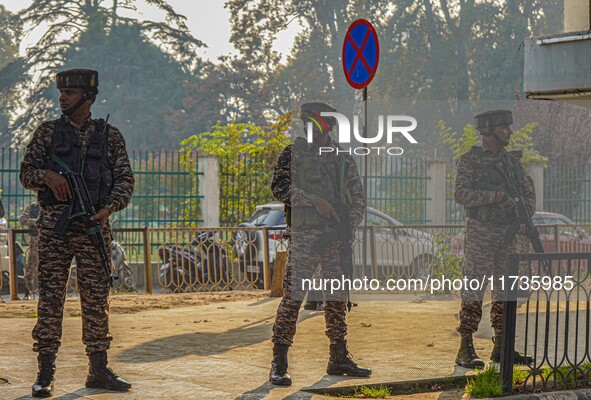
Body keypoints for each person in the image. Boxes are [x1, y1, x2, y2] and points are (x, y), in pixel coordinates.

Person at [20, 69, 134, 397]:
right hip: (55, 230)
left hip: (93, 228)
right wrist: (47, 177)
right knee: (51, 300)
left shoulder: (109, 137)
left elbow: (125, 179)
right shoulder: (47, 133)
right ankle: (45, 372)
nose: (63, 98)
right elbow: (26, 173)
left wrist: (109, 208)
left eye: (70, 93)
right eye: (62, 92)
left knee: (96, 300)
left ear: (88, 97)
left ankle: (98, 370)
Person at [269, 102, 371, 386]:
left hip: (335, 238)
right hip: (304, 236)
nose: (310, 130)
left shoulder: (342, 158)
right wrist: (313, 201)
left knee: (336, 300)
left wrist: (348, 227)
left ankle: (338, 357)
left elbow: (358, 198)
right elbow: (279, 188)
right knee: (293, 299)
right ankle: (279, 362)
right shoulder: (293, 154)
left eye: (316, 125)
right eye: (307, 124)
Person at [454, 110, 535, 369]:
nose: (509, 132)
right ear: (488, 130)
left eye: (509, 127)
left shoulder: (512, 164)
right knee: (474, 288)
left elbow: (527, 192)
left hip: (508, 233)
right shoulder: (471, 161)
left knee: (506, 290)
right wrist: (496, 197)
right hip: (482, 232)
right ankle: (465, 347)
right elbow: (461, 194)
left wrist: (524, 216)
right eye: (504, 127)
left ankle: (503, 345)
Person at [19, 201, 40, 299]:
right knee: (30, 268)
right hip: (35, 242)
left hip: (50, 241)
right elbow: (22, 220)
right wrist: (36, 221)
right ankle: (28, 292)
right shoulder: (32, 207)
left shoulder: (51, 206)